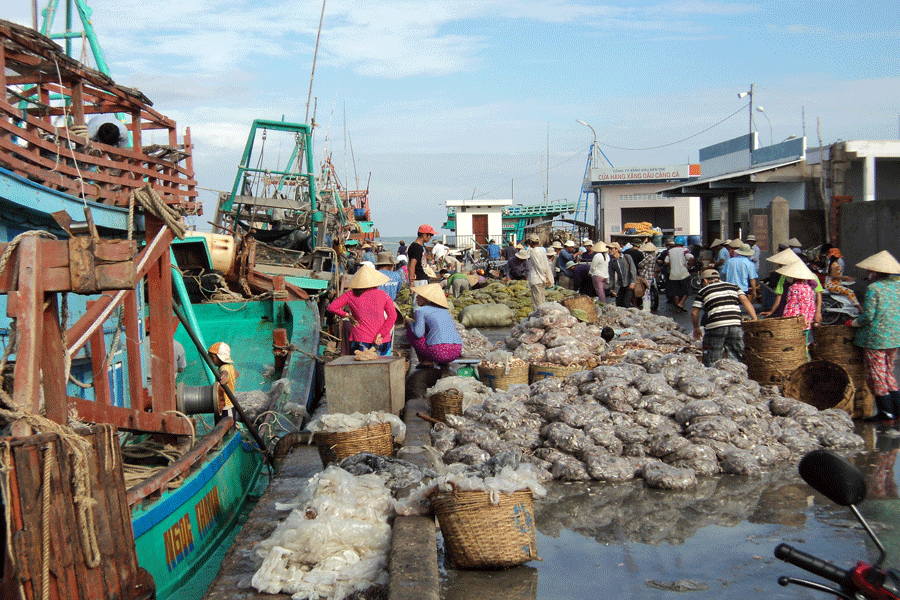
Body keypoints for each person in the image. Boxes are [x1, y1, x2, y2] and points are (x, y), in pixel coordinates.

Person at [848, 251, 900, 422]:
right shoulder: (897, 285)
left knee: (877, 375)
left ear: (874, 272)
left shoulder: (873, 288)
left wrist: (852, 323)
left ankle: (886, 413)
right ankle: (896, 411)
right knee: (888, 373)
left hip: (876, 338)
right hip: (894, 336)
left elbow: (868, 316)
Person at [691, 269, 758, 367]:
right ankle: (738, 377)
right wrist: (755, 319)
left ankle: (714, 378)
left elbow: (694, 313)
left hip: (715, 326)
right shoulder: (734, 287)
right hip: (735, 324)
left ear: (705, 281)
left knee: (712, 356)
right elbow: (745, 301)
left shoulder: (703, 291)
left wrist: (696, 328)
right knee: (737, 355)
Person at [327, 265, 397, 356]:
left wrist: (348, 316)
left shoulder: (350, 295)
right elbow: (393, 316)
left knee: (361, 367)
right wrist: (381, 334)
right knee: (383, 367)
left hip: (360, 339)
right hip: (382, 339)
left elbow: (332, 307)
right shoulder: (383, 294)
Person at [405, 283, 462, 369]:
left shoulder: (421, 311)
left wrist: (410, 323)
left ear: (426, 299)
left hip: (439, 352)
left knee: (410, 331)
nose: (416, 298)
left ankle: (426, 362)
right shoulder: (445, 311)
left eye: (419, 296)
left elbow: (418, 334)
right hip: (456, 351)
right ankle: (445, 363)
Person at [761, 248, 823, 323]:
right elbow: (779, 295)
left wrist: (818, 312)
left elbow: (818, 295)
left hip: (802, 314)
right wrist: (771, 311)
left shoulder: (812, 277)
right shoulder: (785, 277)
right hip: (793, 312)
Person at [776, 260, 818, 346]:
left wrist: (785, 320)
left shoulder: (793, 287)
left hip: (794, 322)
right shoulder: (809, 289)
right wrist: (809, 320)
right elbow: (812, 306)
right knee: (803, 344)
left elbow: (790, 305)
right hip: (806, 321)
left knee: (792, 345)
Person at [208, 342, 238, 417]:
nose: (211, 360)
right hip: (222, 405)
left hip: (227, 406)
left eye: (212, 357)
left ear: (219, 357)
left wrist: (224, 376)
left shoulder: (224, 367)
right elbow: (236, 373)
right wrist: (231, 379)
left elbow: (225, 372)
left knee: (228, 425)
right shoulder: (229, 366)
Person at [665, 236, 693, 312]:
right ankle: (681, 303)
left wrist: (672, 265)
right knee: (686, 291)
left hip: (673, 274)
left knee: (676, 292)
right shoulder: (685, 250)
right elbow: (691, 258)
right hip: (683, 274)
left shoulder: (670, 251)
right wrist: (689, 266)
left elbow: (666, 262)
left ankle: (678, 308)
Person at [526, 234, 554, 310]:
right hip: (542, 280)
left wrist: (545, 277)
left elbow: (539, 266)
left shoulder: (533, 252)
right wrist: (548, 277)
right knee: (542, 301)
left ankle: (539, 318)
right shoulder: (542, 250)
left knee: (537, 303)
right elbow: (546, 266)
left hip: (536, 279)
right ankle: (543, 317)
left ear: (531, 242)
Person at [408, 224, 436, 293]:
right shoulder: (416, 247)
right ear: (424, 235)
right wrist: (411, 282)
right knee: (418, 302)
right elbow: (412, 264)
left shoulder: (419, 246)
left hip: (422, 278)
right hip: (419, 279)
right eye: (430, 235)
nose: (430, 238)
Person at [608, 242, 637, 308]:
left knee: (626, 304)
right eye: (609, 249)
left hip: (629, 283)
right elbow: (611, 276)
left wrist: (632, 282)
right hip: (621, 284)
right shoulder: (612, 262)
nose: (610, 250)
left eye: (611, 249)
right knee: (619, 304)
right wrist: (612, 289)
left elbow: (633, 269)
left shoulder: (626, 257)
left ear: (616, 249)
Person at [637, 241, 658, 311]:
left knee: (645, 292)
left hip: (646, 275)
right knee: (647, 292)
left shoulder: (649, 257)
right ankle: (647, 306)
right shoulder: (654, 256)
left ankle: (646, 307)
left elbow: (640, 264)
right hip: (651, 275)